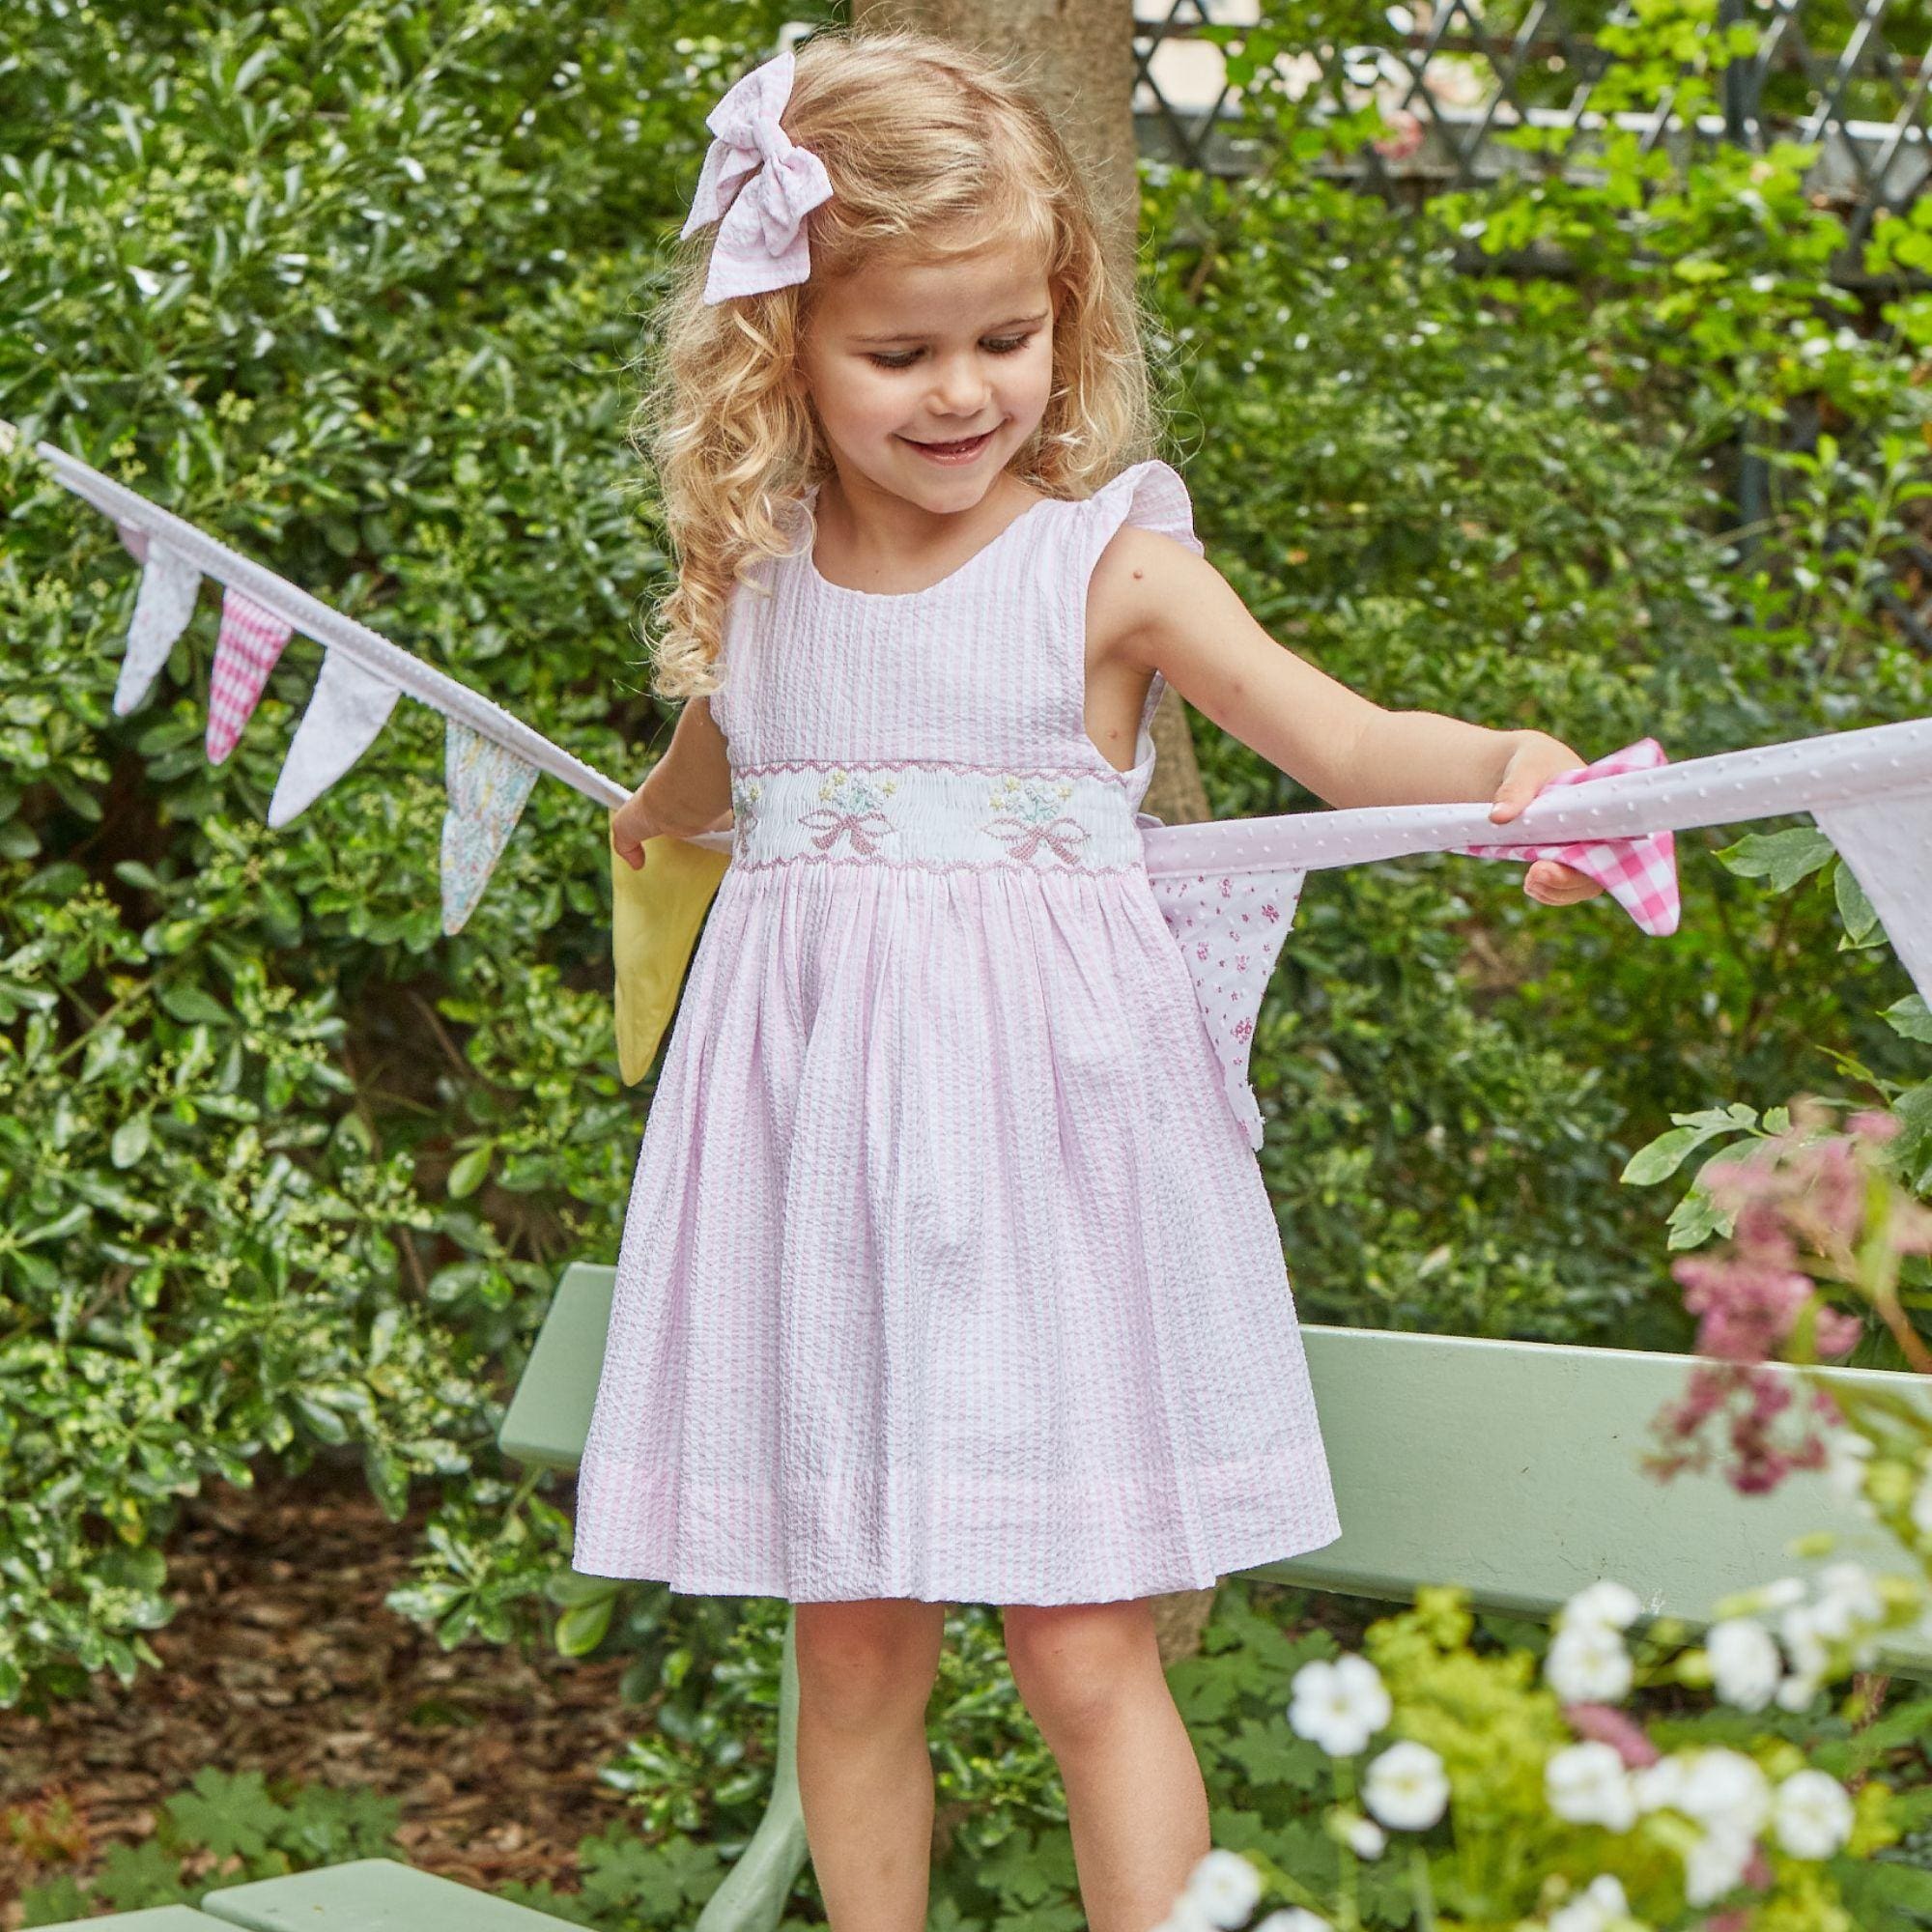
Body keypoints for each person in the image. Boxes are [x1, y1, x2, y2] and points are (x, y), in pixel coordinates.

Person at [572, 26, 1605, 1932]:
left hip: (1046, 1188)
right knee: (854, 1644)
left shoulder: (1102, 570)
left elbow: (1347, 739)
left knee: (1077, 1646)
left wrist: (1502, 769)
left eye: (1005, 338)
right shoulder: (761, 580)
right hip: (823, 1202)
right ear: (780, 345)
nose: (964, 391)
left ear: (1064, 318)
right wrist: (639, 830)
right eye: (900, 351)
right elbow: (690, 806)